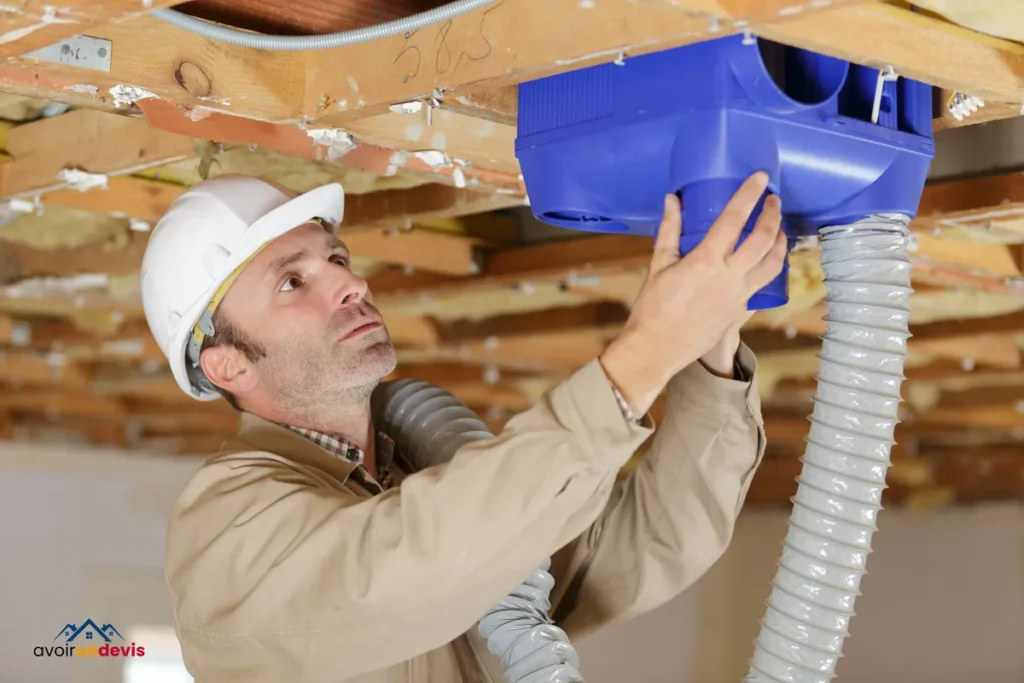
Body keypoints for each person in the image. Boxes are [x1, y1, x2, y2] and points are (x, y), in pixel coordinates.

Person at [140, 170, 785, 683]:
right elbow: (397, 563)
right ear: (226, 363)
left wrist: (706, 351)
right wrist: (647, 351)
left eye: (335, 257)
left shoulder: (423, 477)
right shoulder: (226, 525)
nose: (349, 282)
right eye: (291, 281)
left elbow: (642, 547)